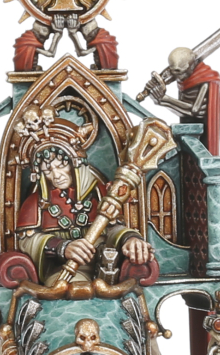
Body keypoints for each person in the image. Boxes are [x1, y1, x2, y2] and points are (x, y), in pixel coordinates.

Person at [15, 116, 153, 284]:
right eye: (47, 170)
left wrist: (130, 239)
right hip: (64, 269)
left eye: (61, 166)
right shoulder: (36, 203)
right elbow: (26, 241)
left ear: (75, 164)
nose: (56, 175)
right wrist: (62, 247)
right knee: (73, 289)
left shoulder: (100, 193)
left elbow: (113, 228)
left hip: (104, 264)